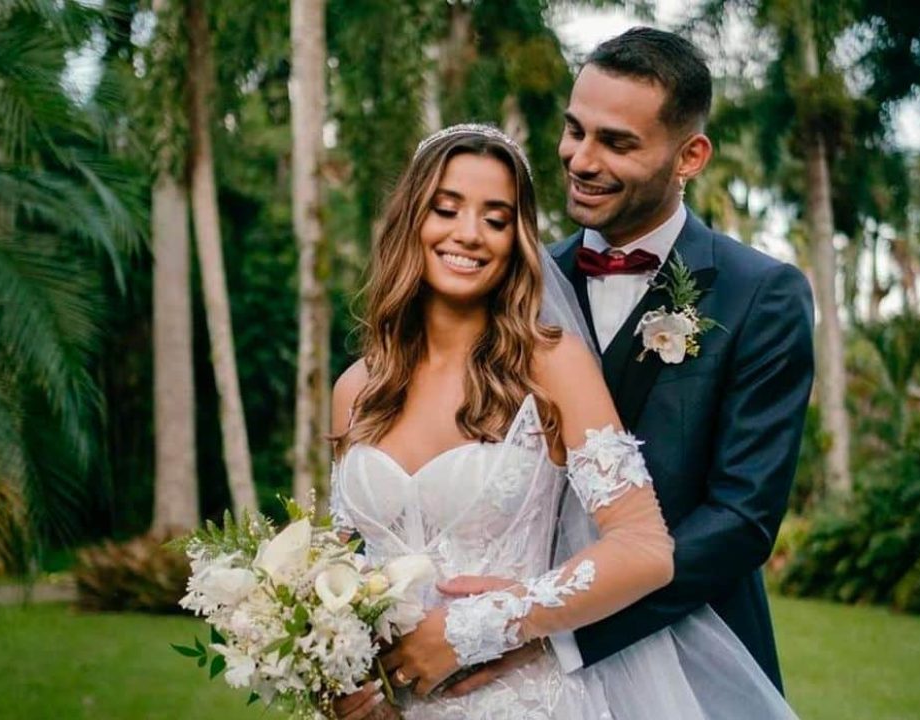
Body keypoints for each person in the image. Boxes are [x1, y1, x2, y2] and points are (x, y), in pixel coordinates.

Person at [327, 121, 799, 720]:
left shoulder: (549, 365)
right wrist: (339, 675)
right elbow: (341, 567)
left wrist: (488, 624)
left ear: (516, 239)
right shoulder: (356, 388)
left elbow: (645, 547)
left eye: (496, 219)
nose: (468, 234)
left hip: (514, 699)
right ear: (409, 220)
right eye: (446, 209)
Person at [434, 26, 815, 700]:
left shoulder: (762, 296)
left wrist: (546, 624)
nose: (579, 159)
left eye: (616, 142)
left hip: (689, 655)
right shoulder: (514, 278)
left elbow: (742, 519)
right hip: (503, 675)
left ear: (689, 155)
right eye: (574, 130)